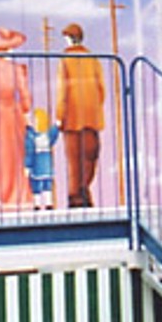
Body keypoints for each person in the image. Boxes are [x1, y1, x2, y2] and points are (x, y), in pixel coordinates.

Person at [0, 23, 33, 210]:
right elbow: (25, 96)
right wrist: (25, 110)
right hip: (11, 112)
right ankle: (13, 194)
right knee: (13, 155)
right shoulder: (16, 69)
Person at [55, 23, 107, 209]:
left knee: (74, 159)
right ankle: (85, 189)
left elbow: (63, 90)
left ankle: (75, 195)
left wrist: (60, 115)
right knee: (90, 156)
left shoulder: (65, 59)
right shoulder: (93, 59)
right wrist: (95, 108)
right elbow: (101, 89)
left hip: (72, 117)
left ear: (68, 38)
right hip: (92, 116)